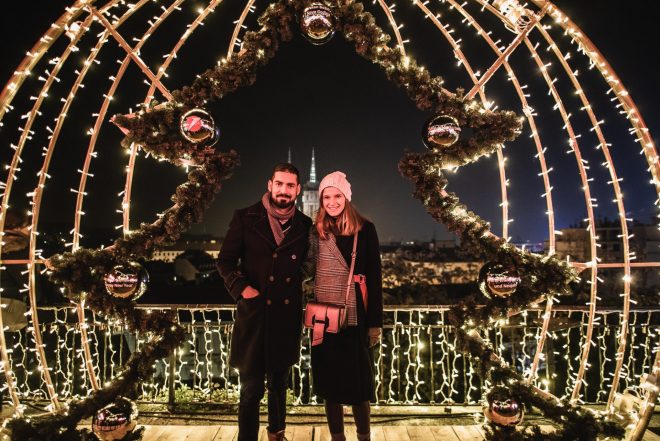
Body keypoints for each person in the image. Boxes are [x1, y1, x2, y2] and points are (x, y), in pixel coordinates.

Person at [217, 163, 313, 441]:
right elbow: (224, 261)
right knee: (251, 390)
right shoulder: (246, 217)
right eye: (279, 184)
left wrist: (294, 283)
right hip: (255, 316)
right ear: (270, 185)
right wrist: (243, 289)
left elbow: (308, 265)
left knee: (279, 385)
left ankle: (276, 434)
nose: (284, 190)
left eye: (290, 185)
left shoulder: (305, 225)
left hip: (285, 315)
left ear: (298, 190)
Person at [310, 171, 383, 441]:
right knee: (330, 386)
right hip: (323, 317)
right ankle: (337, 437)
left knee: (359, 385)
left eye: (337, 196)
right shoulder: (315, 232)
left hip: (355, 316)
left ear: (347, 197)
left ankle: (364, 436)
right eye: (326, 197)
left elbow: (375, 278)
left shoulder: (365, 229)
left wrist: (374, 324)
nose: (331, 202)